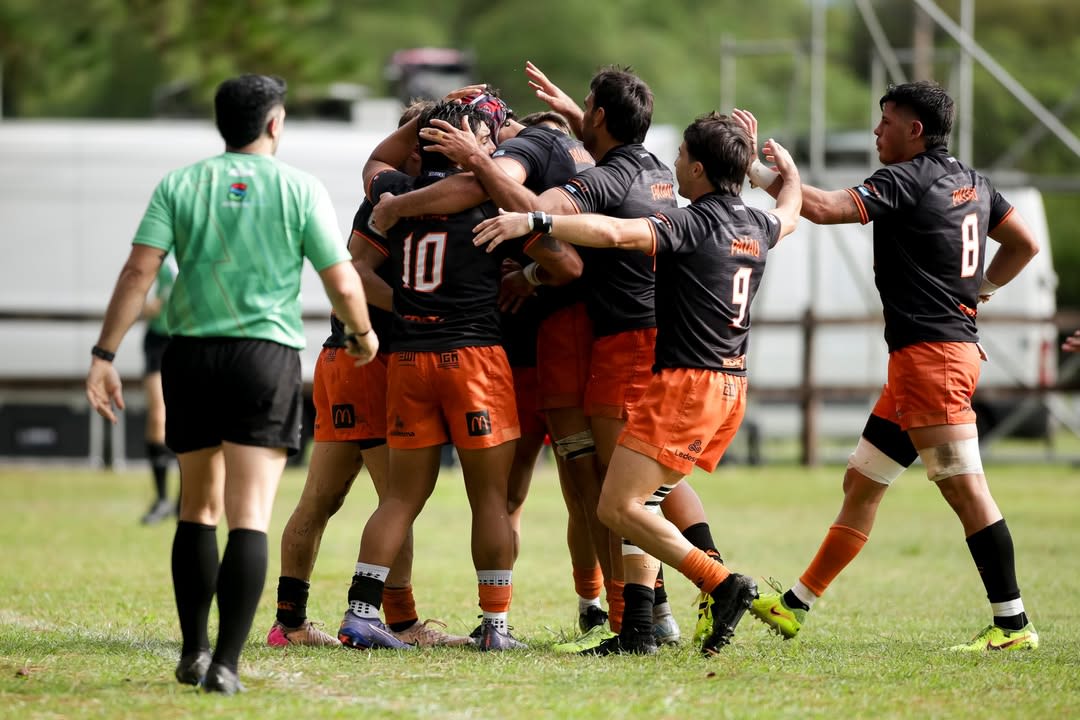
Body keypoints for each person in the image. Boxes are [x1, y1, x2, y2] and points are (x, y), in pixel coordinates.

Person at [85, 74, 379, 694]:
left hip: (189, 355)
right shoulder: (298, 187)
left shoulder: (182, 183)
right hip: (263, 356)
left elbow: (140, 268)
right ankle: (225, 665)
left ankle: (192, 651)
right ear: (275, 123)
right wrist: (361, 337)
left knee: (198, 508)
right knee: (250, 515)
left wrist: (104, 353)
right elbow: (343, 280)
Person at [473, 112, 803, 654]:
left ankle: (722, 586)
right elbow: (791, 210)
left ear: (697, 169)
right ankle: (639, 632)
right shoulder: (757, 225)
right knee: (642, 503)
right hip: (731, 386)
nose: (672, 170)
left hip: (685, 385)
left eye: (681, 160)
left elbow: (612, 230)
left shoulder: (694, 223)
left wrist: (536, 222)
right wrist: (780, 173)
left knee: (616, 506)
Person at [424, 63, 728, 651]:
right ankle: (648, 609)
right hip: (651, 341)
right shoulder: (657, 171)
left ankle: (675, 601)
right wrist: (570, 118)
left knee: (613, 494)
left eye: (587, 107)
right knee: (639, 485)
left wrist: (487, 166)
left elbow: (548, 220)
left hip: (616, 346)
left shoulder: (606, 180)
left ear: (601, 118)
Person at [739, 81, 1041, 651]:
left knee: (965, 491)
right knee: (862, 481)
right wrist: (979, 294)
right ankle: (794, 607)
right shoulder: (972, 181)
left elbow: (824, 209)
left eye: (885, 122)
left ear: (915, 130)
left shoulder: (907, 178)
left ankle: (1013, 625)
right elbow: (1024, 243)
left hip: (933, 362)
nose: (877, 131)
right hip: (925, 362)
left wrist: (773, 172)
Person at [373, 92, 617, 642]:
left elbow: (375, 168)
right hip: (478, 359)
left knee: (402, 498)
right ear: (476, 144)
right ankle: (497, 624)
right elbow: (570, 263)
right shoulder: (498, 204)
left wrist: (425, 122)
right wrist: (526, 268)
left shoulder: (395, 190)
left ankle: (361, 614)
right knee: (501, 497)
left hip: (410, 356)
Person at [266, 100, 471, 650]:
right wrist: (414, 309)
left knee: (322, 499)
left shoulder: (410, 191)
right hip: (368, 361)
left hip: (343, 359)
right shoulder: (392, 197)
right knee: (396, 500)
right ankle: (395, 622)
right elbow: (356, 270)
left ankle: (289, 624)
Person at [139, 255, 177, 525]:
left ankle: (185, 501)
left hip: (188, 337)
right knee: (158, 416)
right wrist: (147, 307)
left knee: (191, 418)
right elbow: (137, 292)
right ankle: (162, 498)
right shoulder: (159, 255)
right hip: (158, 341)